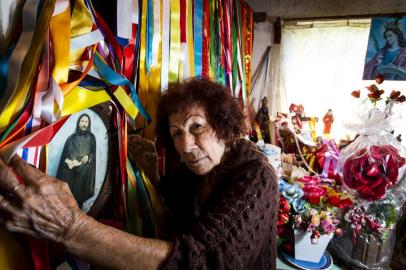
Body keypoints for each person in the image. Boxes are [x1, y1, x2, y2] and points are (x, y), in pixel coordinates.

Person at [0, 79, 279, 269]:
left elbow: (202, 261)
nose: (185, 145)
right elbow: (173, 201)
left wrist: (69, 228)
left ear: (223, 124)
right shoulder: (196, 170)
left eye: (196, 127)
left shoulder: (256, 177)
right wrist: (151, 174)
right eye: (176, 134)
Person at [56, 114, 96, 208]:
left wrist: (88, 157)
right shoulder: (71, 138)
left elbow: (93, 154)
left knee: (78, 201)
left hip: (83, 173)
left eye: (86, 122)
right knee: (67, 200)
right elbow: (64, 156)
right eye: (82, 121)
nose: (84, 124)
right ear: (78, 123)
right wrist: (69, 162)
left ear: (89, 124)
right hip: (70, 172)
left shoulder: (91, 138)